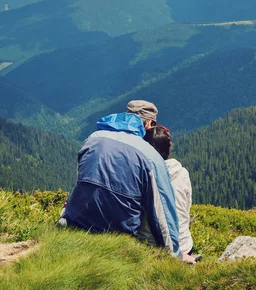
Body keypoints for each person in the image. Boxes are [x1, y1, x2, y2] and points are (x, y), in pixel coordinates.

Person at [61, 100, 196, 263]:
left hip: (74, 222)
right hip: (117, 236)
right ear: (149, 124)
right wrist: (176, 254)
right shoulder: (149, 156)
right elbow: (162, 213)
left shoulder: (93, 139)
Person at [143, 125, 195, 256]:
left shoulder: (144, 176)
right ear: (169, 149)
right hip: (185, 244)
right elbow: (187, 207)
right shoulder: (182, 173)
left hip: (152, 247)